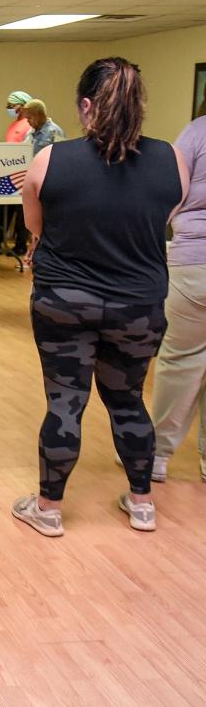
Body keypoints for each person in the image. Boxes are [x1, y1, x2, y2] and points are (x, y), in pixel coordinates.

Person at [12, 57, 189, 537]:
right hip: (139, 305)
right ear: (139, 106)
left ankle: (48, 509)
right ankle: (142, 502)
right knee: (128, 399)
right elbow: (167, 212)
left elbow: (35, 227)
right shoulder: (170, 159)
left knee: (66, 401)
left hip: (64, 302)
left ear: (86, 106)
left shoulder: (53, 160)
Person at [148, 115, 206, 482]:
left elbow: (168, 194)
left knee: (181, 361)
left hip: (196, 265)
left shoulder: (198, 131)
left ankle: (155, 456)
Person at [0, 90, 33, 253]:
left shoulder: (29, 125)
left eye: (12, 106)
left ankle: (20, 245)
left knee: (21, 214)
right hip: (6, 174)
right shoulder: (13, 125)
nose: (9, 109)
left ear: (23, 106)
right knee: (3, 211)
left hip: (22, 176)